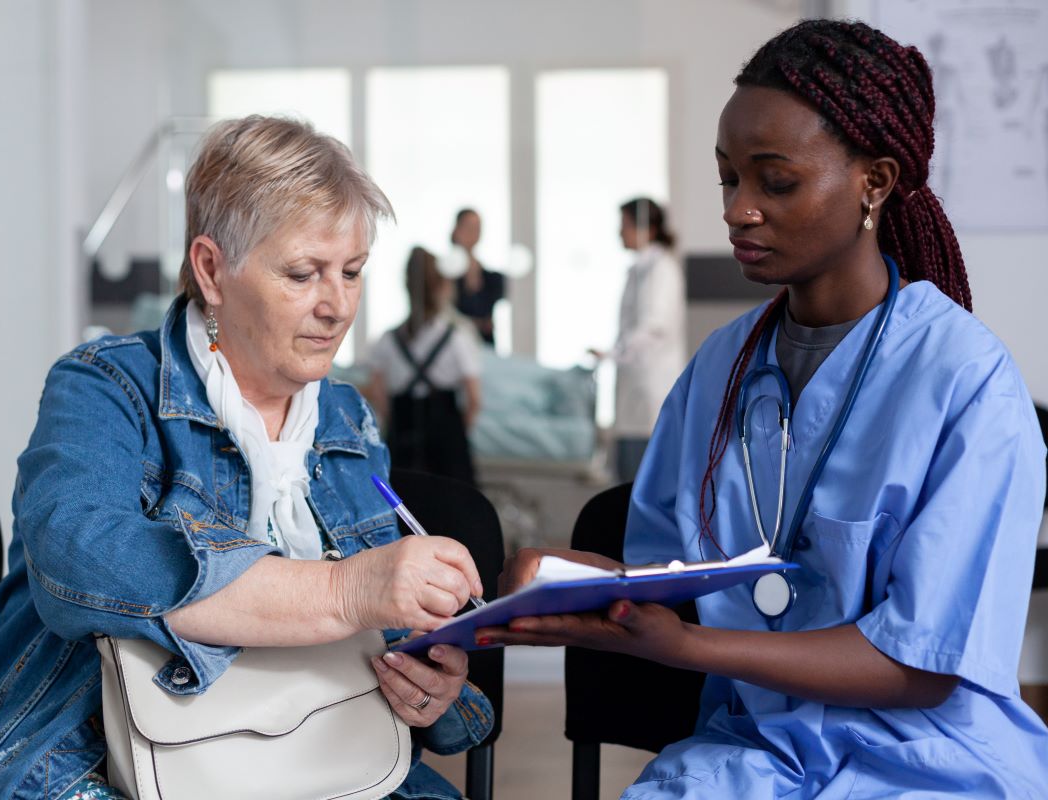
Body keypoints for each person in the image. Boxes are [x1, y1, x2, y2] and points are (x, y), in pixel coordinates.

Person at [479, 19, 1048, 798]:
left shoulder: (966, 382)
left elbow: (923, 668)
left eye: (774, 182)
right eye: (728, 179)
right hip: (752, 753)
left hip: (929, 762)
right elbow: (674, 579)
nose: (737, 210)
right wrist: (567, 577)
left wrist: (692, 650)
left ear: (873, 183)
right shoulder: (720, 367)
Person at [0, 116, 493, 800]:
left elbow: (385, 631)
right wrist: (345, 591)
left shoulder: (345, 416)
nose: (337, 306)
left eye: (352, 272)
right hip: (91, 753)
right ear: (211, 269)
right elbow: (73, 554)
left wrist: (430, 679)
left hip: (319, 750)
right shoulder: (105, 385)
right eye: (303, 273)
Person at [590, 197, 687, 483]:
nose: (619, 233)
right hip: (635, 384)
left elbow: (654, 327)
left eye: (624, 226)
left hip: (651, 385)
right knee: (630, 471)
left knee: (646, 474)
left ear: (647, 228)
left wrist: (613, 353)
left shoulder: (662, 269)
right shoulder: (640, 269)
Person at [367, 246, 482, 486]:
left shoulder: (388, 339)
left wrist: (394, 419)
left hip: (402, 426)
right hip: (446, 429)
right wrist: (458, 433)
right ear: (442, 287)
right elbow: (473, 399)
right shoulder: (457, 337)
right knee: (454, 506)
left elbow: (377, 392)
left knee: (405, 501)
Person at [450, 208, 505, 346]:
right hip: (455, 347)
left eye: (477, 228)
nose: (473, 233)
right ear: (457, 229)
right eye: (468, 227)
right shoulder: (445, 274)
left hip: (484, 348)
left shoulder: (491, 278)